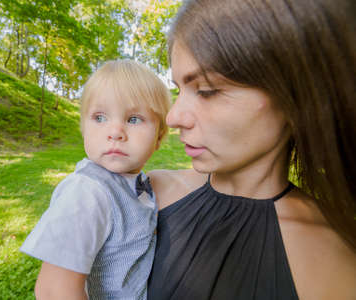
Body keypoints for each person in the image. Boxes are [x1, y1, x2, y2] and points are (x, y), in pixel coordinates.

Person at [147, 0, 356, 299]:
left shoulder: (338, 259)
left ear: (294, 96)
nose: (173, 117)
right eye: (179, 89)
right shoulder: (148, 197)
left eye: (206, 91)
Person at [20, 59, 171, 300]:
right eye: (100, 117)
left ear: (159, 136)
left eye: (133, 119)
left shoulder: (137, 185)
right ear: (83, 129)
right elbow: (54, 291)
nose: (115, 132)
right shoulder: (87, 193)